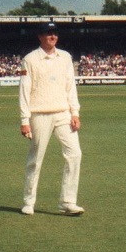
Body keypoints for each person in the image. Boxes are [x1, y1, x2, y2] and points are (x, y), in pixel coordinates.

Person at [19, 22, 84, 216]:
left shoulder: (65, 57)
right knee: (36, 159)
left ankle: (67, 202)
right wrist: (24, 120)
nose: (52, 36)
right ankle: (29, 202)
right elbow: (24, 91)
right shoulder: (30, 59)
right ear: (40, 36)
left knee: (75, 154)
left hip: (63, 113)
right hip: (39, 114)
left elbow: (70, 86)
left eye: (55, 33)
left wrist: (75, 112)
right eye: (48, 33)